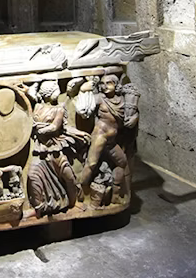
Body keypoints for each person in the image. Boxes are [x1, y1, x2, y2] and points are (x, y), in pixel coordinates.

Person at [25, 80, 89, 217]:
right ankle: (38, 207)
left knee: (69, 176)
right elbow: (31, 122)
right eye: (54, 90)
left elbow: (55, 127)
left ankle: (73, 202)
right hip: (40, 151)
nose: (57, 93)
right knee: (32, 176)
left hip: (55, 148)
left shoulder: (59, 109)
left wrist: (40, 129)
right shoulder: (37, 106)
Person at [76, 74, 137, 207]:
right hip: (100, 136)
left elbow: (132, 112)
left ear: (115, 85)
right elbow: (84, 107)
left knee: (122, 162)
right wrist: (83, 89)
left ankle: (115, 195)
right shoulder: (100, 99)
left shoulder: (122, 100)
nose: (105, 86)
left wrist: (134, 118)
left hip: (111, 140)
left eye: (108, 83)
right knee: (91, 164)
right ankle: (79, 193)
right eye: (103, 84)